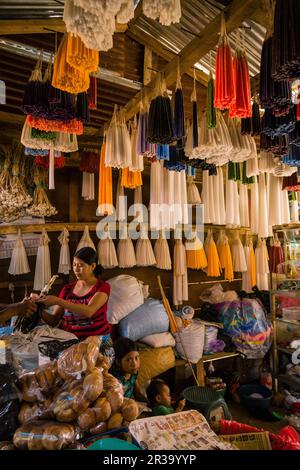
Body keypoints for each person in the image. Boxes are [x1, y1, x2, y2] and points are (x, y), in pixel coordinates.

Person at [35, 247, 111, 340]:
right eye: (74, 265)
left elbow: (89, 311)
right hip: (71, 341)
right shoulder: (67, 289)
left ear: (93, 266)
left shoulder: (102, 287)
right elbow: (54, 320)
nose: (76, 269)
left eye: (81, 265)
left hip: (98, 341)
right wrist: (37, 309)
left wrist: (57, 301)